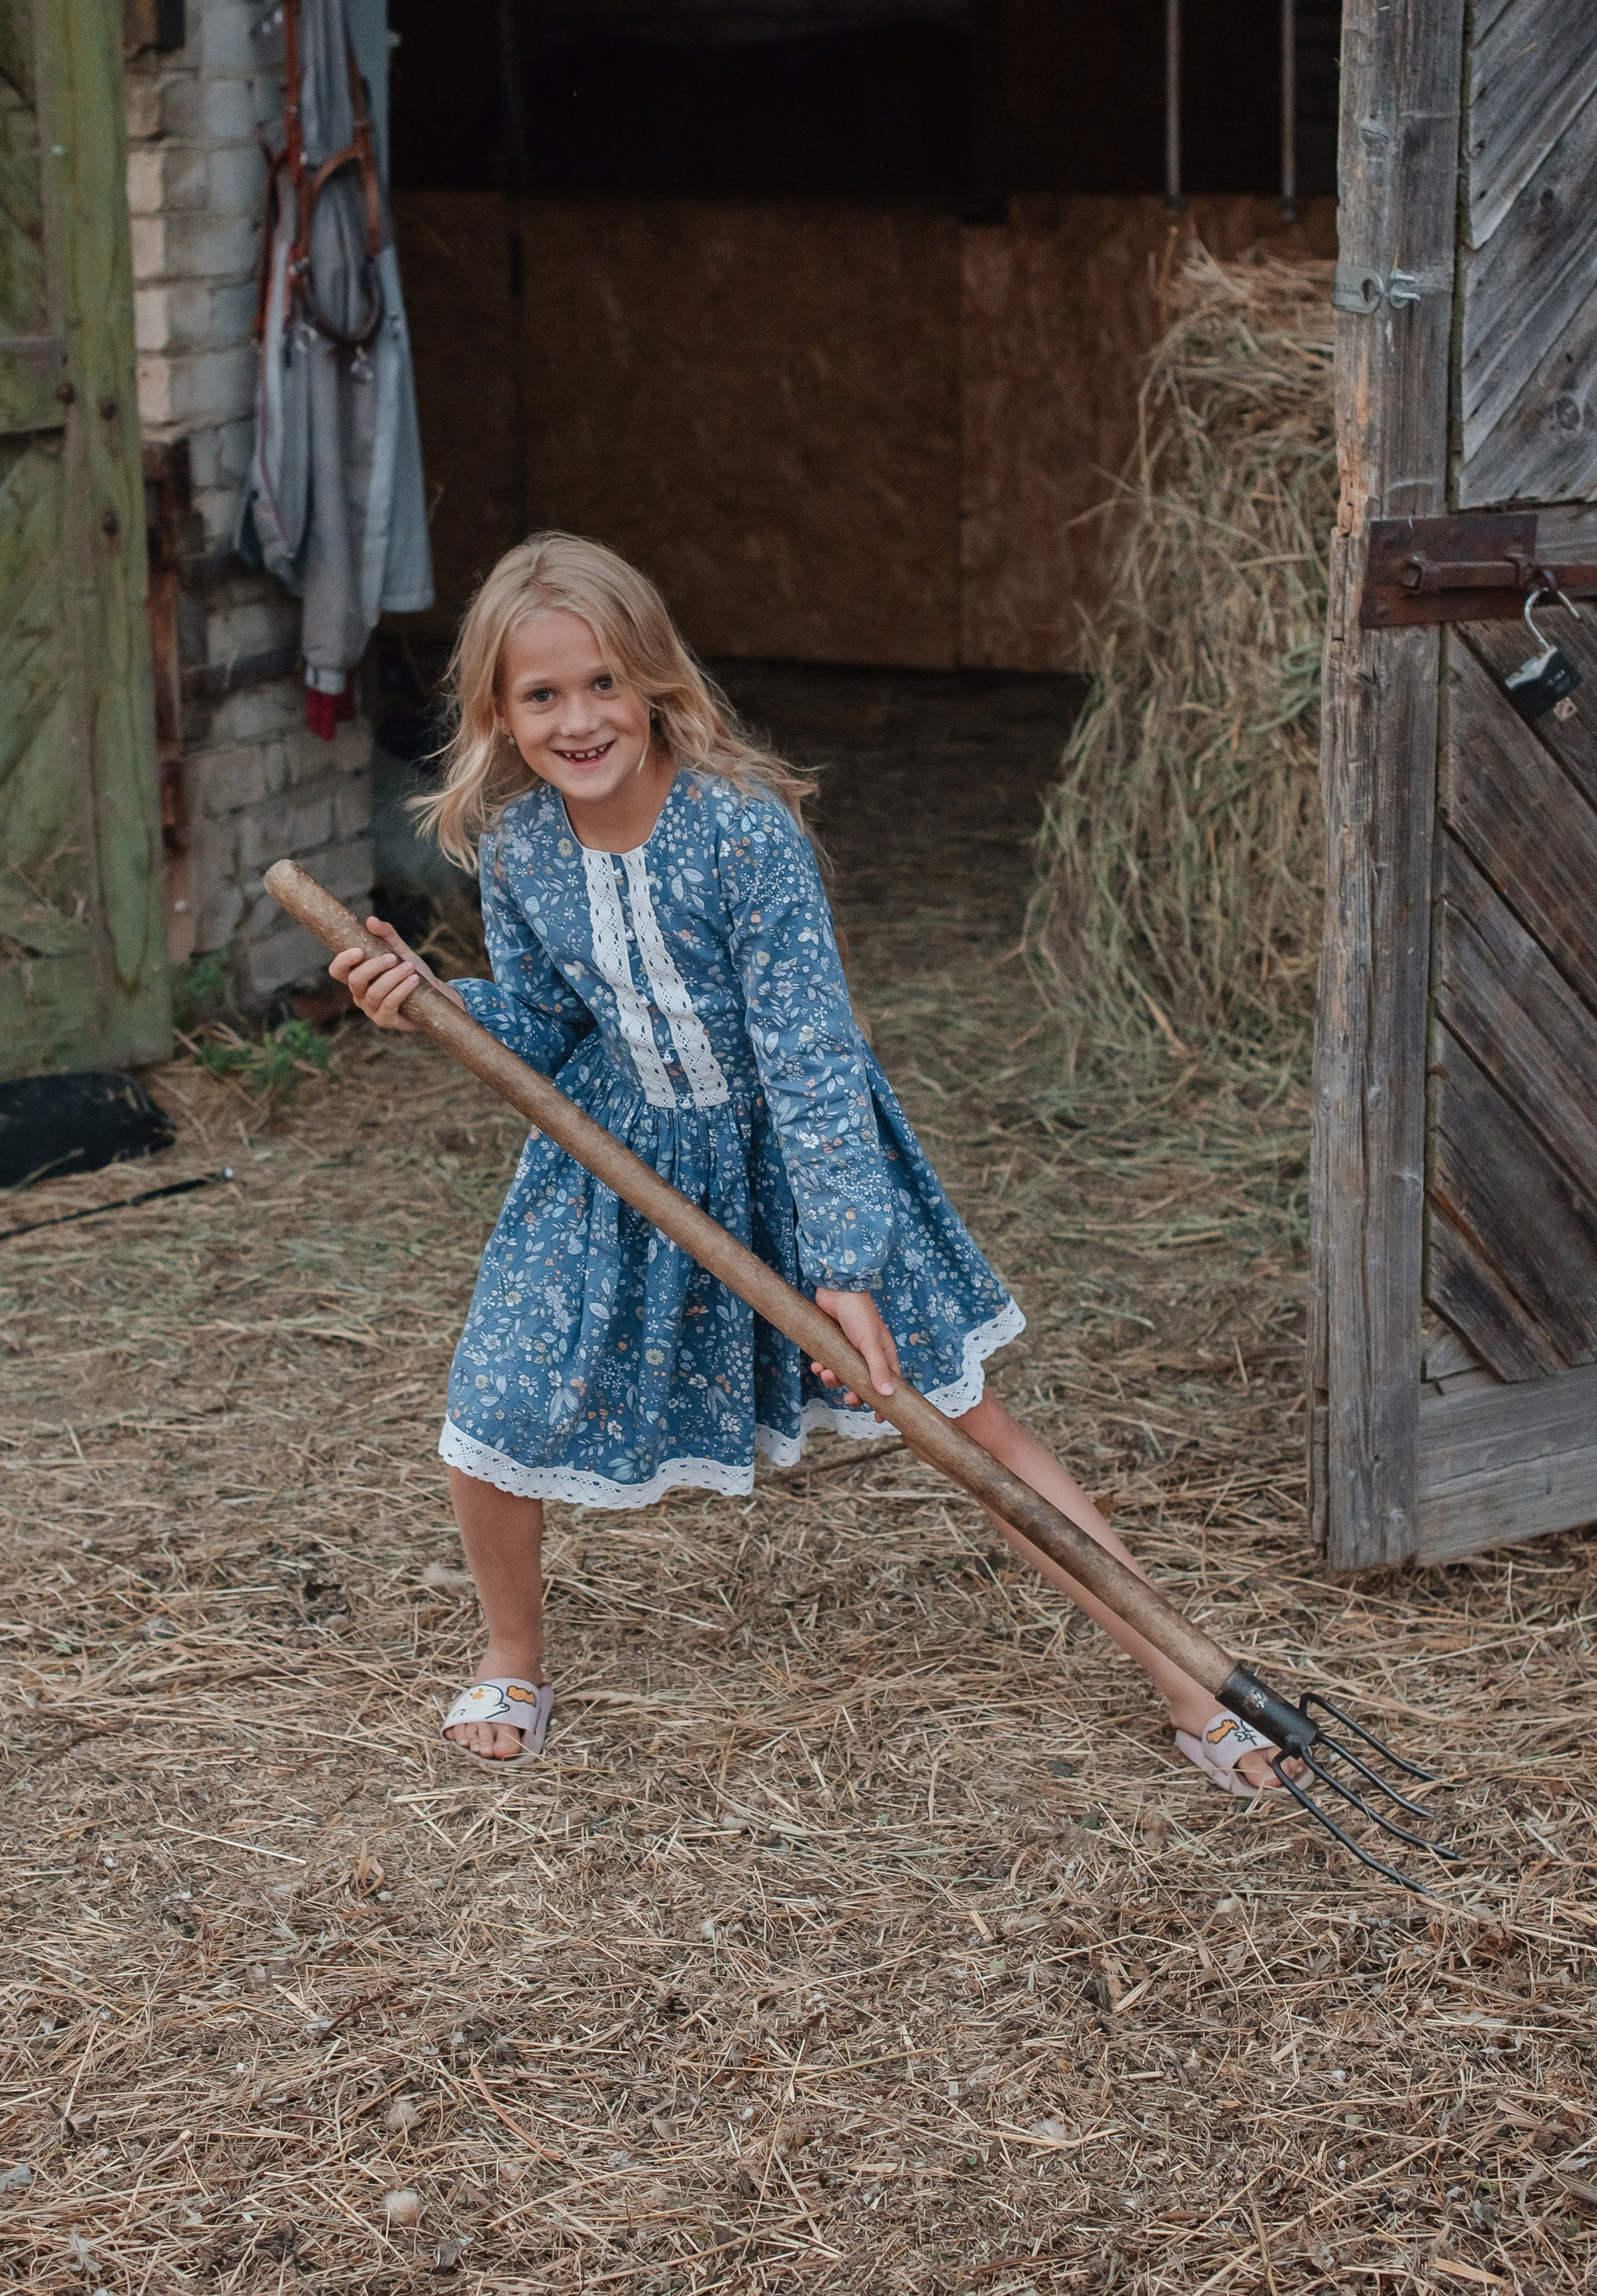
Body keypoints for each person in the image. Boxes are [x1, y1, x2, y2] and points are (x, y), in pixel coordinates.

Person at [333, 535, 1289, 1793]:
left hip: (796, 1159)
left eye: (604, 683)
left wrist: (845, 1261)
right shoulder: (519, 848)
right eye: (543, 695)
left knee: (962, 1422)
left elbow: (813, 1060)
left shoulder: (741, 832)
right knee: (493, 1415)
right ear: (499, 717)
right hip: (612, 1166)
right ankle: (514, 1655)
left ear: (654, 679)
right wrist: (439, 1005)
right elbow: (552, 1026)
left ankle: (1192, 1685)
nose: (580, 720)